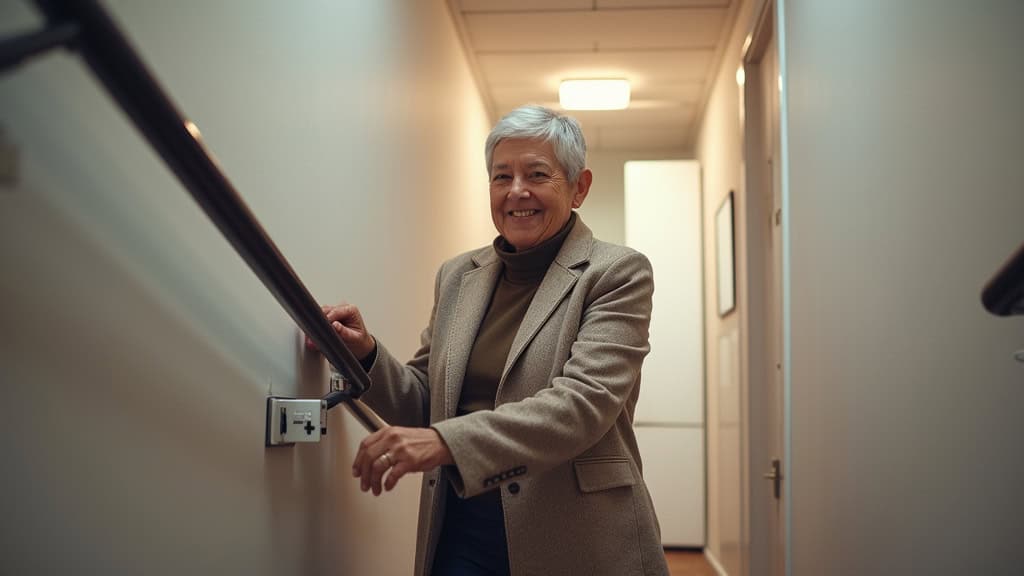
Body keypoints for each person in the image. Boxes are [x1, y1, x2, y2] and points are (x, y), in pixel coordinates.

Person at [310, 105, 669, 576]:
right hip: (461, 527)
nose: (517, 190)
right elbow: (427, 401)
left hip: (576, 533)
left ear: (578, 187)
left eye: (536, 174)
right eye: (502, 177)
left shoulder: (617, 272)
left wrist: (445, 442)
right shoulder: (458, 275)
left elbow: (582, 405)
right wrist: (365, 354)